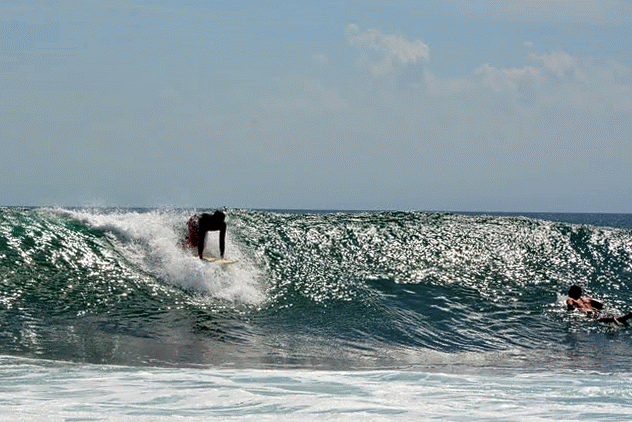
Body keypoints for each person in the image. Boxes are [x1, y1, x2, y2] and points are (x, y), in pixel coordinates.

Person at [566, 284, 632, 326]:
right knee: (604, 318)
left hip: (588, 313)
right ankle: (627, 316)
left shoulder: (571, 299)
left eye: (570, 291)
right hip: (595, 312)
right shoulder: (587, 298)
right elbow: (601, 303)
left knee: (601, 320)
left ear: (572, 292)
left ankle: (612, 319)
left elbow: (570, 305)